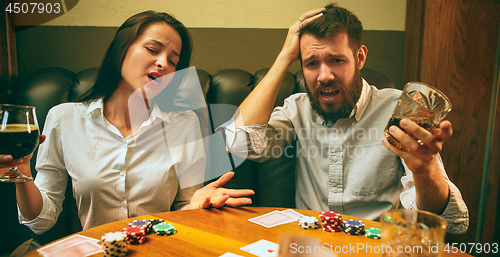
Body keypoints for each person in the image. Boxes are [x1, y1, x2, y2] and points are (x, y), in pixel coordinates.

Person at [0, 10, 254, 234]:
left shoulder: (185, 123)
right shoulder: (63, 118)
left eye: (173, 61)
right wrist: (22, 171)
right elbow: (40, 221)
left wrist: (197, 207)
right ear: (121, 49)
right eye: (153, 50)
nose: (163, 63)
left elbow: (184, 207)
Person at [221, 4, 468, 233]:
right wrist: (285, 57)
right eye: (311, 63)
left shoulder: (400, 111)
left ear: (359, 58)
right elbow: (237, 143)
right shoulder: (295, 110)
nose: (324, 76)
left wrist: (425, 169)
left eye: (336, 60)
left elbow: (450, 219)